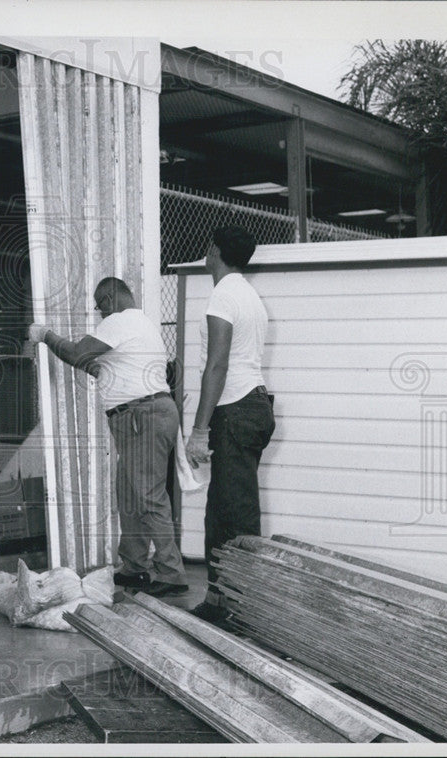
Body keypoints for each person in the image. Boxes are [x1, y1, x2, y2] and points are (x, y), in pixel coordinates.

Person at [29, 277, 188, 597]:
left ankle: (171, 572)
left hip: (141, 417)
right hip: (145, 416)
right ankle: (134, 566)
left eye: (101, 307)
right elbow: (98, 367)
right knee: (130, 494)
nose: (101, 315)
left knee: (148, 496)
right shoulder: (141, 325)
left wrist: (46, 335)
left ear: (111, 300)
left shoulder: (119, 321)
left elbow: (77, 354)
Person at [185, 226, 276, 623]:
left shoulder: (224, 293)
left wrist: (199, 429)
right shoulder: (250, 296)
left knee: (236, 513)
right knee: (221, 509)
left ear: (213, 250)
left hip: (235, 408)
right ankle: (221, 601)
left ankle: (246, 608)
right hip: (251, 405)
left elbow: (217, 364)